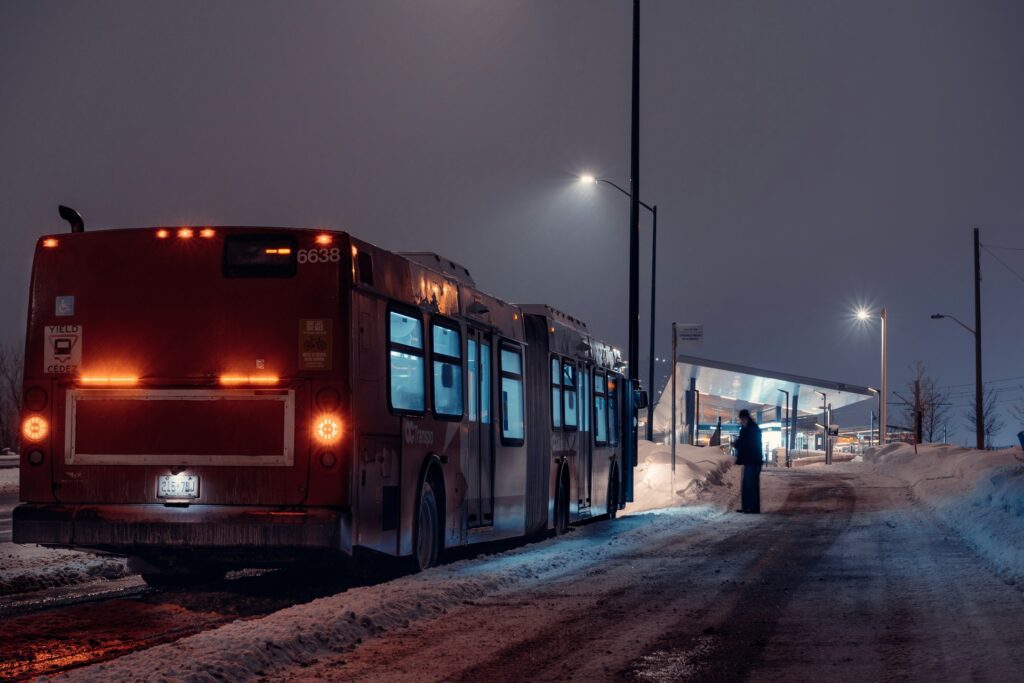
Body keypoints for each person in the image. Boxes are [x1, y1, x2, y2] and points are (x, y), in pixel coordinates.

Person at [733, 409, 763, 513]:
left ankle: (754, 508)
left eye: (742, 419)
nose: (741, 421)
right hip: (748, 461)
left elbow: (751, 444)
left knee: (752, 485)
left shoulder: (753, 429)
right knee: (746, 485)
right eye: (741, 419)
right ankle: (746, 506)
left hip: (753, 461)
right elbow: (744, 442)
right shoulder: (745, 429)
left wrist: (738, 444)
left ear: (746, 418)